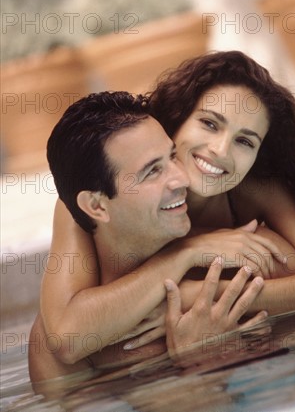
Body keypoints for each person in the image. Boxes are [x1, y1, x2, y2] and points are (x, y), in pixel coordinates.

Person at [28, 91, 268, 384]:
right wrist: (201, 365)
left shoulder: (232, 256)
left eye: (172, 157)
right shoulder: (59, 347)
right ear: (97, 206)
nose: (182, 179)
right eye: (152, 171)